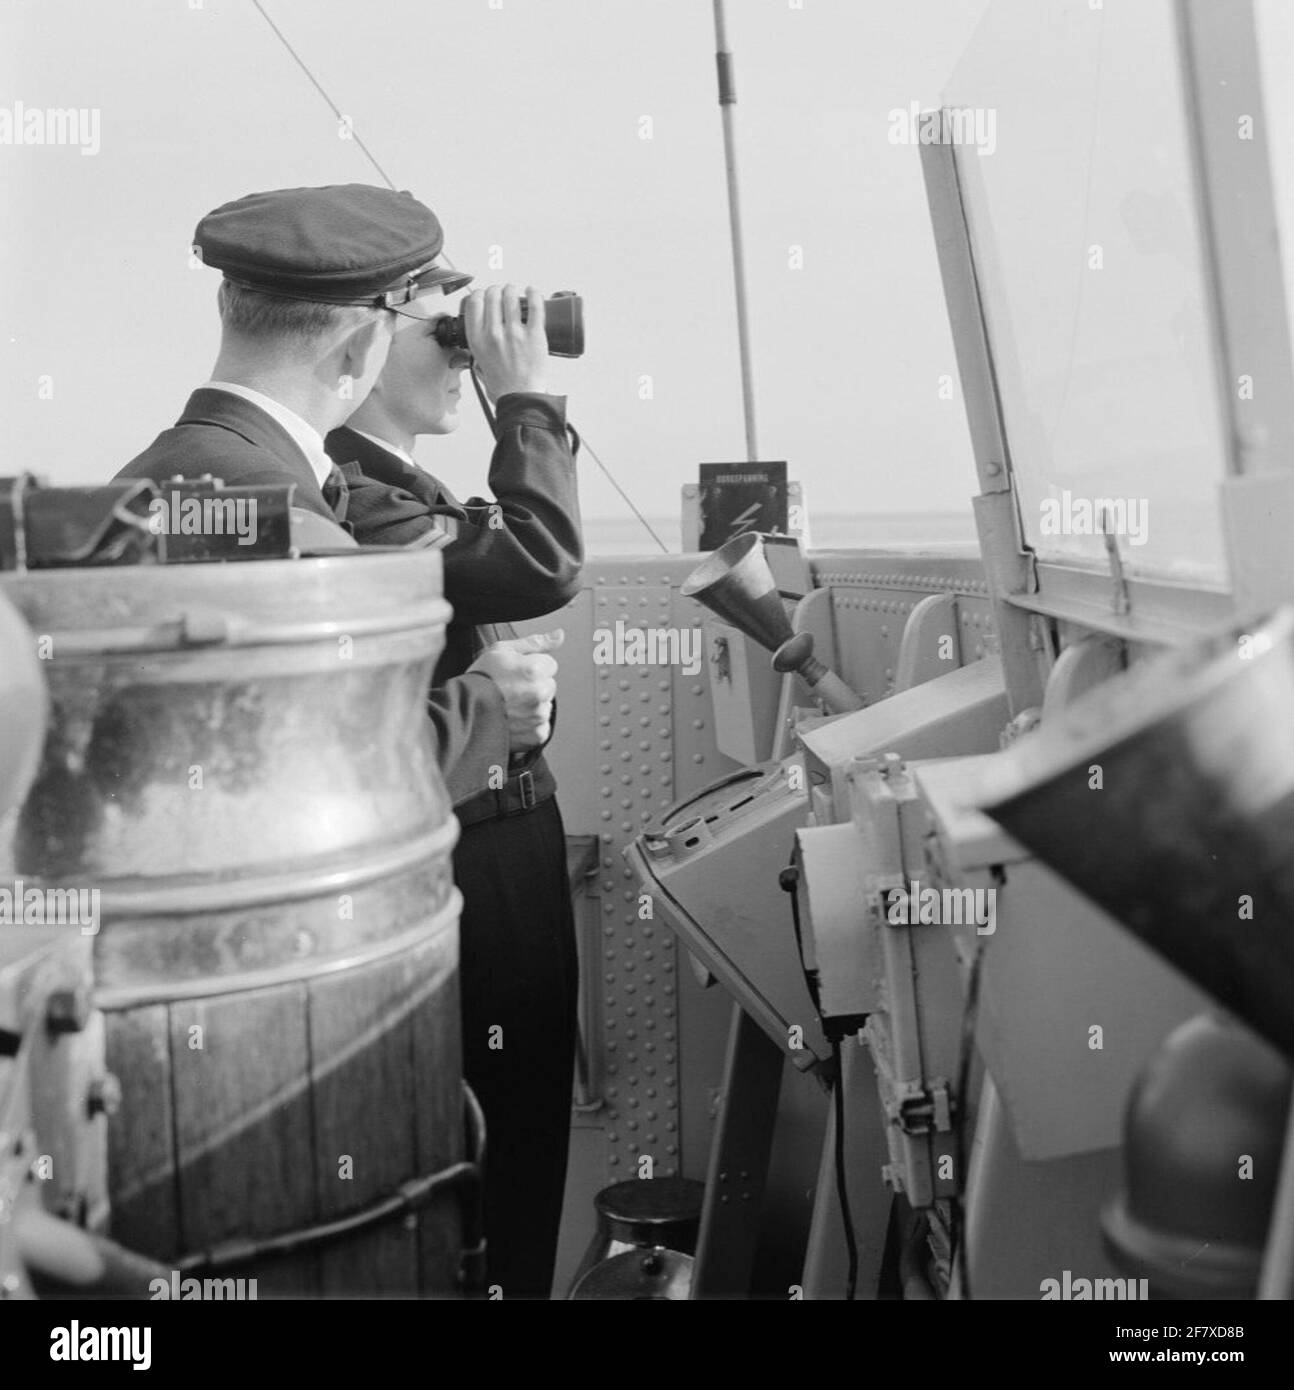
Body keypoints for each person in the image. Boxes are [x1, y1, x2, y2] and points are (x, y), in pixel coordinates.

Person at [112, 183, 557, 797]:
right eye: (434, 334)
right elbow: (329, 766)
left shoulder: (178, 469)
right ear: (361, 346)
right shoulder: (274, 504)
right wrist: (487, 710)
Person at [325, 277, 583, 1299]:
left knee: (514, 1137)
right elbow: (539, 563)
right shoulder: (354, 487)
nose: (468, 351)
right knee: (500, 1149)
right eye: (446, 330)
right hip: (466, 858)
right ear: (365, 338)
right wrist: (525, 399)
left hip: (485, 846)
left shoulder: (390, 482)